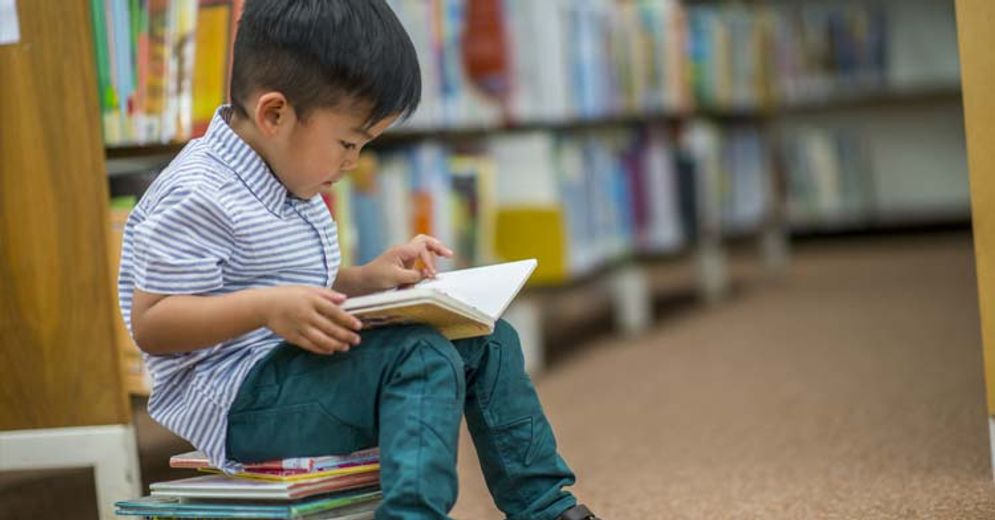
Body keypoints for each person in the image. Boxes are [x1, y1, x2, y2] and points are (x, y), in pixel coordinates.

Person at [117, 1, 600, 519]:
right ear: (274, 114)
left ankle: (545, 506)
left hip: (297, 366)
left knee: (486, 338)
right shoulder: (198, 196)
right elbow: (154, 322)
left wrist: (367, 279)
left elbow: (295, 285)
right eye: (348, 142)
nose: (353, 162)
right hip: (238, 404)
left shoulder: (286, 175)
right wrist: (265, 307)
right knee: (418, 356)